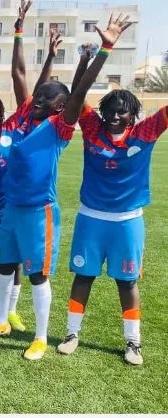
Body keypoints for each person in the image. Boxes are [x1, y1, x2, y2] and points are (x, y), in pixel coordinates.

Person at [0, 11, 132, 361]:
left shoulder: (60, 127)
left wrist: (104, 49)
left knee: (37, 275)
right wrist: (18, 31)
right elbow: (17, 73)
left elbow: (80, 91)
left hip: (39, 213)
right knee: (4, 266)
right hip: (11, 210)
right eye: (38, 97)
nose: (37, 101)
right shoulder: (21, 119)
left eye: (45, 99)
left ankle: (42, 337)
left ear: (60, 107)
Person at [57, 42, 158, 366]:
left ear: (133, 115)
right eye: (110, 111)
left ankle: (133, 343)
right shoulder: (91, 128)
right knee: (83, 276)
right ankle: (72, 334)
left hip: (128, 220)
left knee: (127, 281)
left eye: (121, 112)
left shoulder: (145, 132)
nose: (115, 117)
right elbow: (76, 93)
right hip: (91, 218)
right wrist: (87, 59)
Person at [0, 28, 63, 328]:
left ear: (1, 112)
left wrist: (47, 55)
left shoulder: (12, 128)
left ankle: (10, 310)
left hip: (15, 210)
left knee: (16, 263)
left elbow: (32, 87)